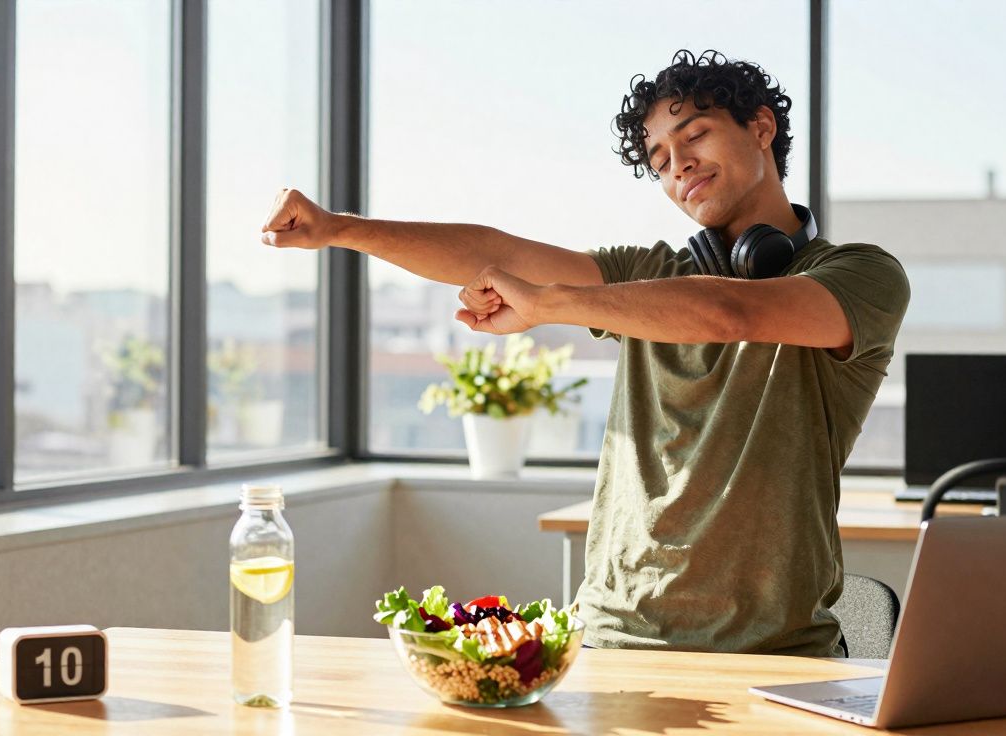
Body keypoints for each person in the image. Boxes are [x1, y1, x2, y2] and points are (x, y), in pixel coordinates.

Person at [261, 49, 909, 657]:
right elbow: (497, 253)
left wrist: (550, 304)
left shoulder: (859, 275)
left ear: (761, 127)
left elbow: (730, 313)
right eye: (658, 160)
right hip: (610, 641)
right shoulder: (647, 276)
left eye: (696, 135)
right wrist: (338, 229)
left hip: (774, 653)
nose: (677, 164)